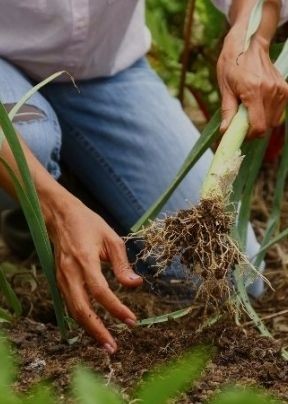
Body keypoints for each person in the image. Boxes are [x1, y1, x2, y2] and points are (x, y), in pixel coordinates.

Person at [0, 0, 287, 354]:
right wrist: (55, 208)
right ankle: (37, 214)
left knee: (231, 277)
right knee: (30, 144)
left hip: (105, 71)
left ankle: (88, 192)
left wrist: (251, 40)